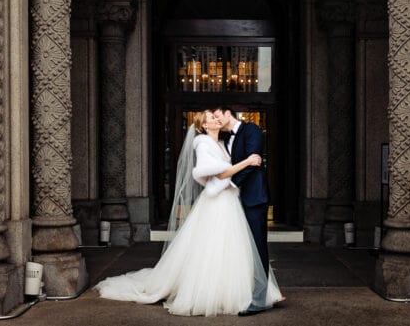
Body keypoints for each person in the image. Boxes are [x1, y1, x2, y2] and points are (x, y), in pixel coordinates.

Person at [95, 111, 282, 316]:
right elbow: (212, 172)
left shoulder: (222, 141)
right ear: (204, 127)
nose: (216, 119)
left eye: (217, 116)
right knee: (211, 249)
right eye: (211, 118)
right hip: (218, 201)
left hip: (230, 201)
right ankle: (210, 293)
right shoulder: (202, 142)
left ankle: (242, 291)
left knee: (232, 248)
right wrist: (247, 162)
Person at [213, 106, 271, 314]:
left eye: (218, 116)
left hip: (253, 198)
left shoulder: (252, 130)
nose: (217, 121)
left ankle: (260, 299)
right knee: (238, 249)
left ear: (229, 113)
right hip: (232, 203)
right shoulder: (222, 138)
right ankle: (242, 292)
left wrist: (232, 184)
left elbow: (252, 161)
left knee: (258, 247)